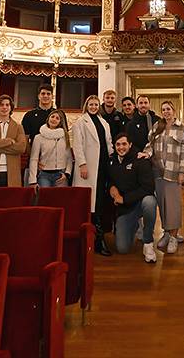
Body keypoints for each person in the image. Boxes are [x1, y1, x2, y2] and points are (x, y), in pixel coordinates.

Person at [141, 101, 184, 254]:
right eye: (163, 110)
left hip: (173, 172)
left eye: (168, 109)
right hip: (158, 172)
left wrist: (183, 172)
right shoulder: (157, 126)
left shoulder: (181, 128)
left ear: (173, 110)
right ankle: (166, 232)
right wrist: (147, 153)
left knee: (173, 206)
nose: (166, 112)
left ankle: (174, 237)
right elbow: (149, 144)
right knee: (162, 204)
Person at [72, 95, 114, 256]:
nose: (94, 106)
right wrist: (82, 164)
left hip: (102, 166)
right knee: (89, 204)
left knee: (100, 202)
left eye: (96, 104)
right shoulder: (81, 122)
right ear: (86, 105)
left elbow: (108, 143)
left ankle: (98, 238)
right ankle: (93, 241)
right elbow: (77, 145)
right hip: (88, 167)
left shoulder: (104, 122)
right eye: (91, 104)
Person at [108, 132, 158, 263]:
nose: (121, 147)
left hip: (140, 203)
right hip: (126, 209)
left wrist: (124, 199)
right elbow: (110, 181)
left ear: (130, 144)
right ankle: (135, 225)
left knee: (150, 201)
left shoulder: (140, 159)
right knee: (122, 248)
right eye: (118, 144)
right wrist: (112, 188)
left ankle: (148, 243)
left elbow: (148, 188)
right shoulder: (112, 160)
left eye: (124, 144)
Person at [28, 109, 72, 187]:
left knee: (61, 199)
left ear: (60, 122)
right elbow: (34, 159)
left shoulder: (64, 137)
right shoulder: (38, 137)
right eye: (52, 116)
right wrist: (33, 181)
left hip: (60, 174)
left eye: (57, 118)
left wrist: (67, 174)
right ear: (48, 118)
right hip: (44, 175)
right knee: (44, 198)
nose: (54, 119)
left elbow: (69, 157)